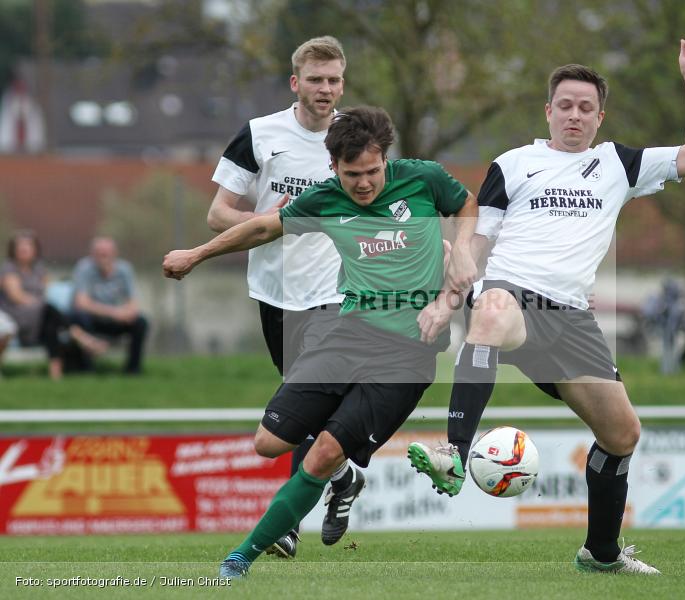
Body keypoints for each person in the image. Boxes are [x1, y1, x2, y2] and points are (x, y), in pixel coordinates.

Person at [408, 38, 685, 575]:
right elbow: (476, 247)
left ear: (600, 116)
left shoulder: (618, 162)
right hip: (513, 298)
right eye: (565, 106)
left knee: (622, 434)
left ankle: (602, 553)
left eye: (586, 108)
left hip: (571, 317)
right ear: (548, 111)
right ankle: (454, 452)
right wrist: (446, 300)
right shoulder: (514, 164)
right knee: (493, 309)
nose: (575, 115)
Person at [163, 106, 478, 579]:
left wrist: (459, 264)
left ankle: (239, 559)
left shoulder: (424, 179)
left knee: (322, 451)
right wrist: (198, 253)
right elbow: (263, 226)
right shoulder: (326, 198)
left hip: (406, 356)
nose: (365, 183)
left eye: (373, 171)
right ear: (333, 168)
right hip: (346, 334)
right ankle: (344, 477)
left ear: (386, 161)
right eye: (353, 175)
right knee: (268, 443)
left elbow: (467, 205)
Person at [207, 36, 351, 558]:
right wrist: (265, 221)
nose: (326, 89)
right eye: (316, 80)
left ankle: (287, 525)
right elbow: (218, 213)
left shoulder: (355, 135)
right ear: (297, 82)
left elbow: (382, 198)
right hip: (274, 291)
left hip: (338, 289)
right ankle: (343, 476)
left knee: (313, 394)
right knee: (301, 408)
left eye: (334, 80)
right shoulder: (259, 135)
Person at [0, 231, 107, 379]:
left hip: (39, 315)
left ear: (35, 249)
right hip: (17, 315)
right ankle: (83, 339)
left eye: (28, 246)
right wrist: (40, 303)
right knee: (49, 312)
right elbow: (17, 297)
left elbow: (46, 291)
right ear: (13, 250)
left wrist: (41, 303)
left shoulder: (39, 269)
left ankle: (55, 373)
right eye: (20, 247)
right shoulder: (9, 268)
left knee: (51, 324)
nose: (24, 250)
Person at [70, 237, 149, 374]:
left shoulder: (125, 270)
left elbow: (133, 302)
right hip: (92, 319)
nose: (103, 257)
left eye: (106, 253)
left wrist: (127, 312)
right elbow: (81, 303)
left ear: (115, 253)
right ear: (92, 254)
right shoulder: (84, 268)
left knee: (141, 322)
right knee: (80, 317)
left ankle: (133, 370)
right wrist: (114, 312)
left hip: (115, 321)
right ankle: (86, 369)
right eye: (99, 253)